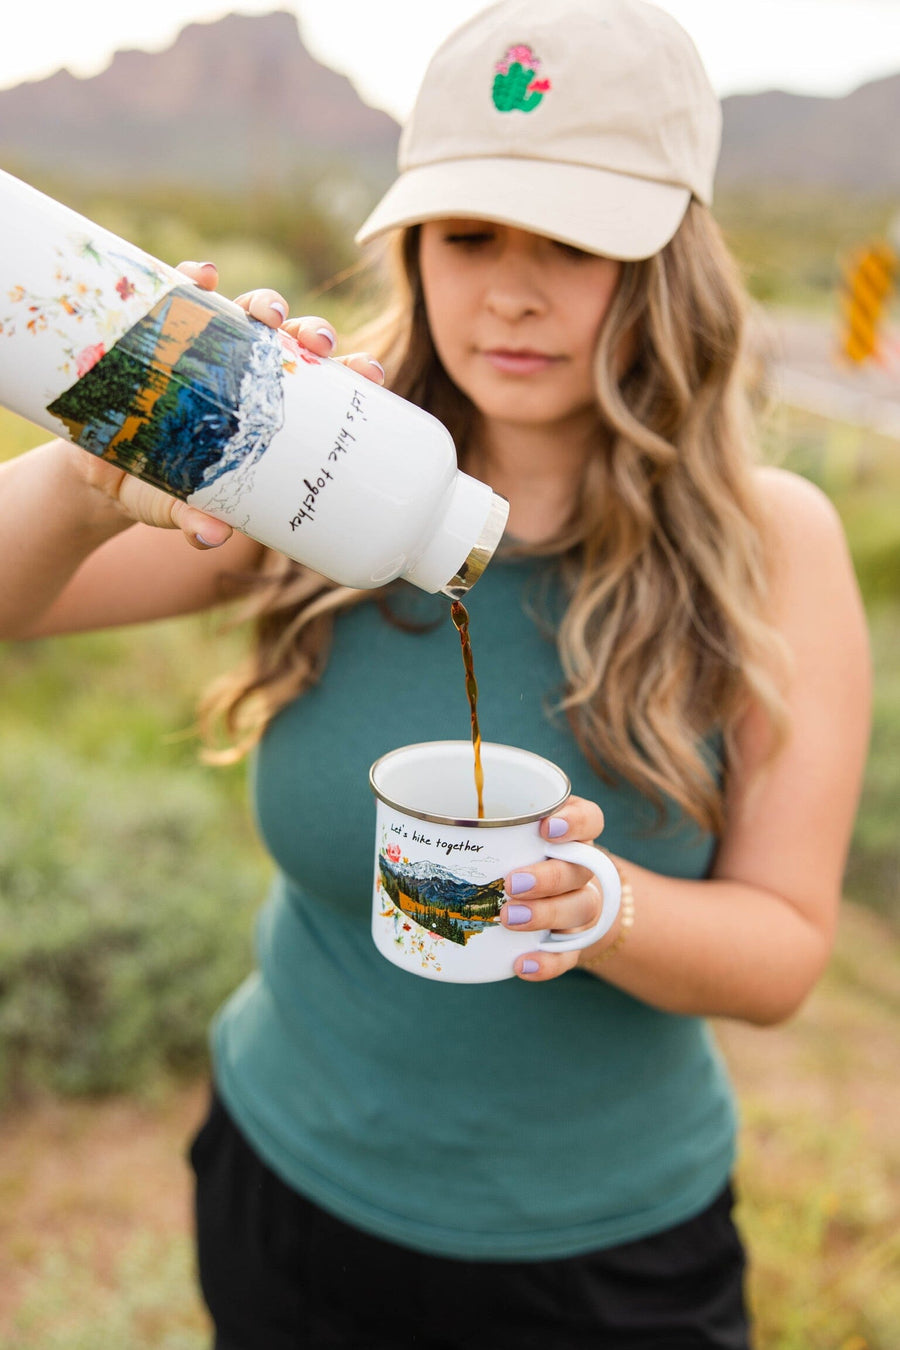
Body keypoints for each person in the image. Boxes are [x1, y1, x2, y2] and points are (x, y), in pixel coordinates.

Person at [0, 1, 871, 1346]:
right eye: (469, 234)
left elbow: (786, 955)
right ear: (415, 242)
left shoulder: (773, 543)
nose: (510, 289)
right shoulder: (309, 462)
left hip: (603, 1261)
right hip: (285, 1192)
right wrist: (92, 468)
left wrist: (596, 902)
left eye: (574, 243)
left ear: (667, 266)